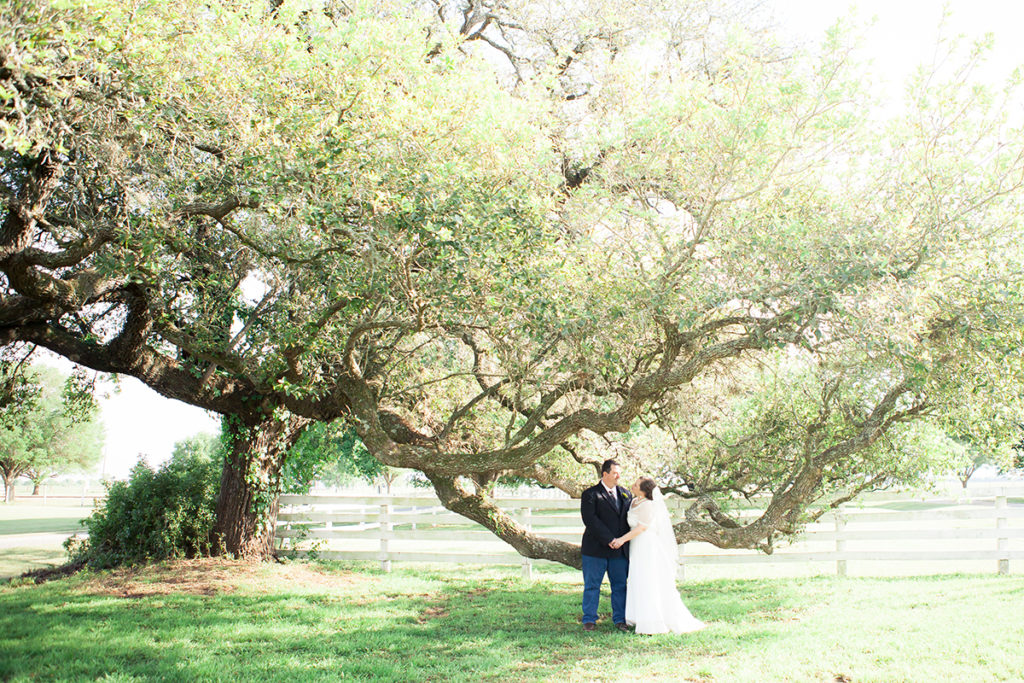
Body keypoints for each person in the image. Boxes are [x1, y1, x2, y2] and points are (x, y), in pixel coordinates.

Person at [610, 476, 705, 635]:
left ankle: (652, 620)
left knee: (649, 580)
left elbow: (641, 528)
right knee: (637, 578)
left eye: (636, 485)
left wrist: (620, 540)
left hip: (647, 546)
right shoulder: (634, 501)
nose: (632, 485)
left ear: (644, 490)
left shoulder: (648, 505)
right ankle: (637, 615)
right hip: (636, 546)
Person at [580, 459, 632, 632]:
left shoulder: (626, 494)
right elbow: (590, 520)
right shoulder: (590, 494)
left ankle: (619, 619)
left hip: (620, 551)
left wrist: (621, 541)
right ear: (605, 474)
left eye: (619, 472)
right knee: (592, 585)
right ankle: (589, 620)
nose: (619, 475)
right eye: (615, 472)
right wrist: (610, 539)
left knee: (619, 586)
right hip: (595, 549)